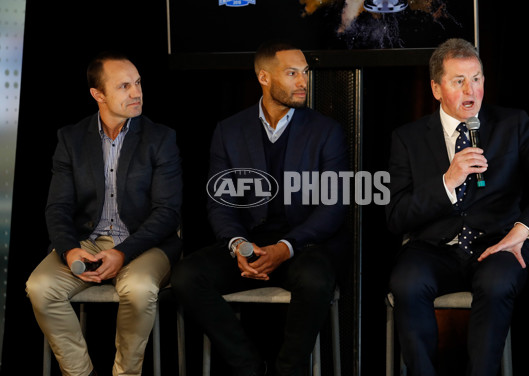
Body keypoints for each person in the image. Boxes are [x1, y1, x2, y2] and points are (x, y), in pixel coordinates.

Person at [385, 38, 529, 376]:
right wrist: (448, 181)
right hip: (433, 248)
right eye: (458, 80)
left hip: (498, 245)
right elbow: (396, 215)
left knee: (497, 283)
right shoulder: (408, 137)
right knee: (407, 282)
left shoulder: (513, 125)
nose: (469, 89)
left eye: (476, 78)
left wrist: (521, 232)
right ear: (436, 88)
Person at [171, 41, 348, 376]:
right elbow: (220, 203)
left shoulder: (327, 131)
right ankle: (249, 368)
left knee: (315, 280)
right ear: (264, 77)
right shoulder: (229, 130)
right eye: (292, 73)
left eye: (305, 73)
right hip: (250, 244)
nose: (303, 82)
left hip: (303, 247)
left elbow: (333, 206)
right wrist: (238, 245)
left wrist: (284, 248)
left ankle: (288, 371)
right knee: (186, 276)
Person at [26, 51, 182, 376]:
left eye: (138, 83)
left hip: (144, 244)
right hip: (88, 242)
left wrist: (123, 253)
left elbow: (167, 213)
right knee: (39, 288)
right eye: (124, 86)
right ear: (98, 94)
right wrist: (69, 251)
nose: (137, 93)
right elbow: (57, 207)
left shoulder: (161, 138)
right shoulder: (70, 139)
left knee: (139, 290)